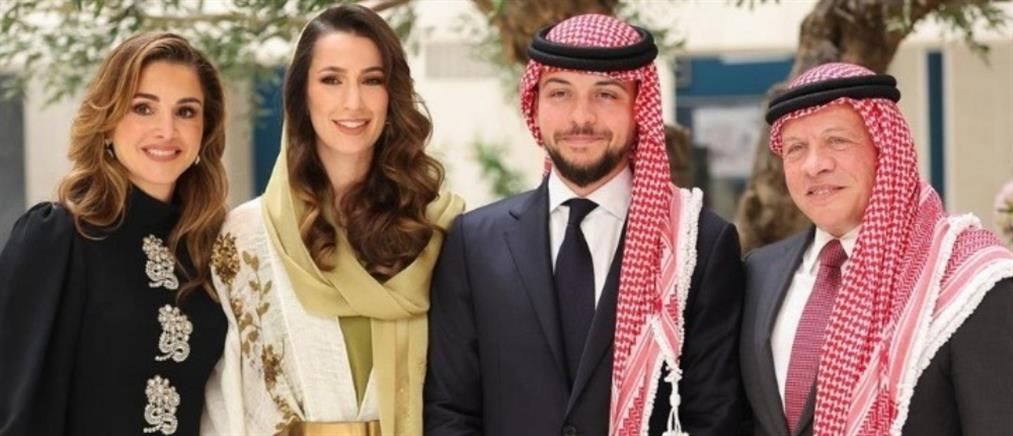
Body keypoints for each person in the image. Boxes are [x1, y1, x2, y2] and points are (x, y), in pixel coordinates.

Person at [424, 14, 746, 436]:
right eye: (560, 93)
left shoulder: (697, 243)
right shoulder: (474, 242)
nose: (581, 117)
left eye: (606, 94)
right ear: (534, 105)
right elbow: (450, 411)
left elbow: (715, 417)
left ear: (639, 107)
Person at [200, 4, 463, 436]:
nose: (353, 102)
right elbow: (229, 399)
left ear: (392, 94)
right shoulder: (247, 237)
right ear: (301, 95)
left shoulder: (436, 231)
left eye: (372, 80)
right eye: (331, 80)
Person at [740, 62, 1013, 436]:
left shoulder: (969, 279)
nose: (815, 165)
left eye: (837, 141)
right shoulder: (758, 271)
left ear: (885, 149)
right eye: (796, 149)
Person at [0, 32, 229, 436]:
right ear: (107, 123)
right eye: (143, 108)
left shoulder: (208, 249)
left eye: (186, 111)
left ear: (205, 130)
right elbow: (15, 406)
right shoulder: (58, 238)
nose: (166, 130)